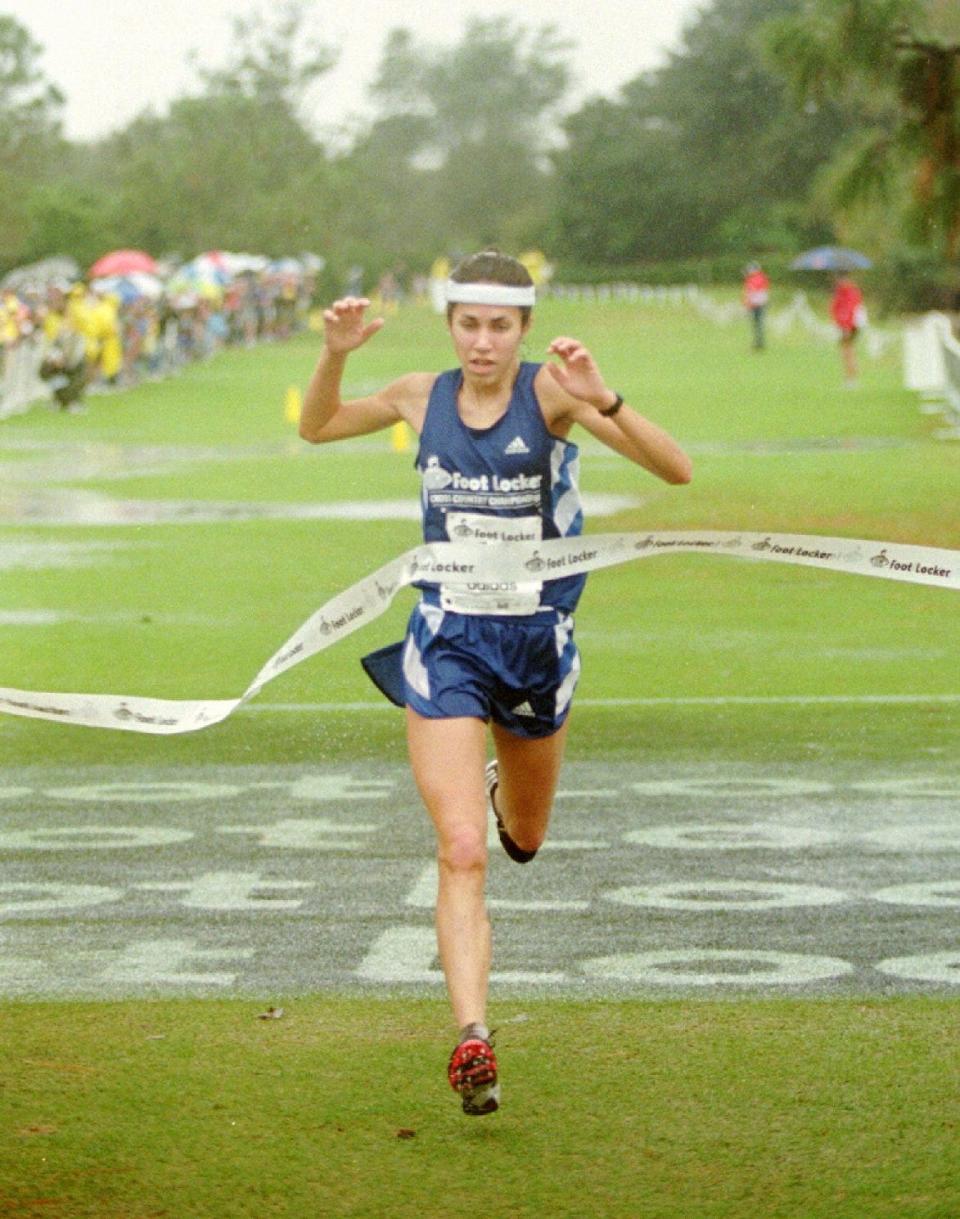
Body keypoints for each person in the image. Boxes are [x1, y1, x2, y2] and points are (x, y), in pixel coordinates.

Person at [298, 250, 692, 1116]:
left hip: (537, 645)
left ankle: (499, 785)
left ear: (522, 327)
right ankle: (473, 1036)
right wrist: (334, 354)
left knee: (522, 836)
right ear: (450, 324)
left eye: (500, 326)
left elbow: (676, 469)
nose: (482, 343)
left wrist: (603, 393)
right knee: (462, 846)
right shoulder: (416, 394)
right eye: (468, 324)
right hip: (447, 641)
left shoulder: (550, 396)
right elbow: (316, 427)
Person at [830, 274, 865, 385]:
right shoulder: (840, 293)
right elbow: (834, 308)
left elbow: (851, 310)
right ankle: (849, 377)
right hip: (844, 325)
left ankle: (852, 378)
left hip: (850, 326)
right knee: (846, 351)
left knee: (848, 352)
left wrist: (846, 326)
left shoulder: (851, 293)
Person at [742, 262, 770, 351]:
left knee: (758, 324)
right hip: (756, 303)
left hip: (759, 304)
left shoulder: (759, 278)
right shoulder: (754, 278)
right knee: (756, 324)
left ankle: (759, 343)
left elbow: (753, 290)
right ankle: (758, 342)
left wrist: (748, 301)